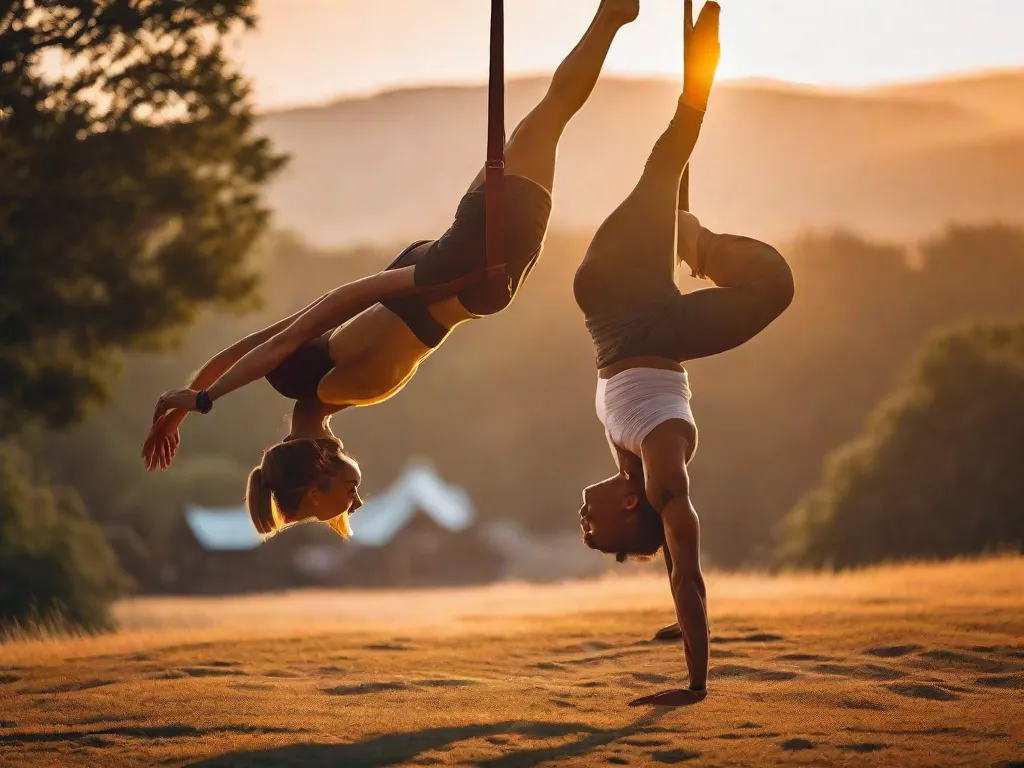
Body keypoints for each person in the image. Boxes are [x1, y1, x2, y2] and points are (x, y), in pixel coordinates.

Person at [143, 0, 643, 540]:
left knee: (552, 115)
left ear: (316, 482)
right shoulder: (317, 394)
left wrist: (200, 401)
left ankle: (612, 15)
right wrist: (189, 403)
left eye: (328, 506)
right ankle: (611, 17)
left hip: (466, 268)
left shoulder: (331, 377)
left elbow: (302, 328)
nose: (351, 507)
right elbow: (251, 349)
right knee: (546, 116)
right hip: (459, 261)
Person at [572, 1, 795, 707]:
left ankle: (689, 236)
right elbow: (686, 569)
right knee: (769, 278)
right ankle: (693, 227)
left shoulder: (637, 460)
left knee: (670, 162)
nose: (585, 523)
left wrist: (673, 604)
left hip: (628, 309)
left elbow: (670, 555)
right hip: (642, 313)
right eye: (599, 533)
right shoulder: (661, 460)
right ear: (635, 504)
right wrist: (693, 683)